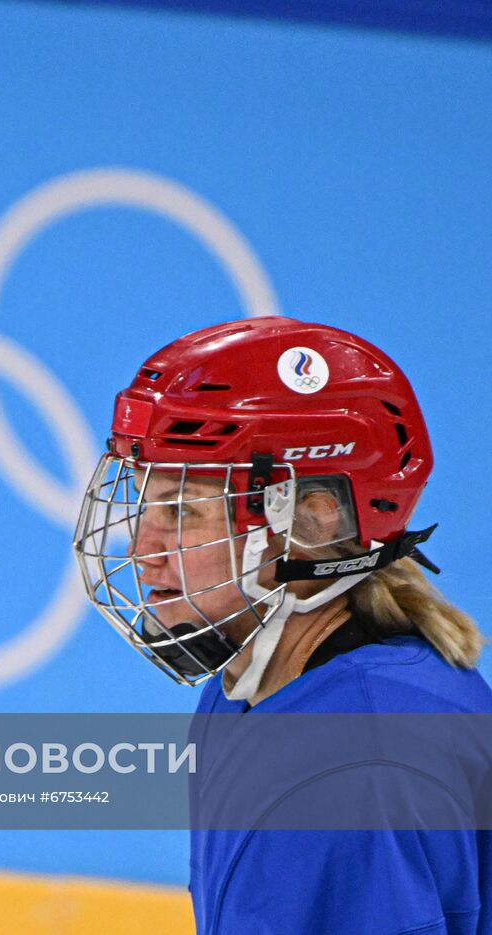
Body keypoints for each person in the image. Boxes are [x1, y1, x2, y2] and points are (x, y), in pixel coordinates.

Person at [72, 315, 492, 934]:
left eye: (182, 511)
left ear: (314, 521)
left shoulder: (358, 765)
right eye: (143, 503)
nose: (142, 549)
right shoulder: (251, 687)